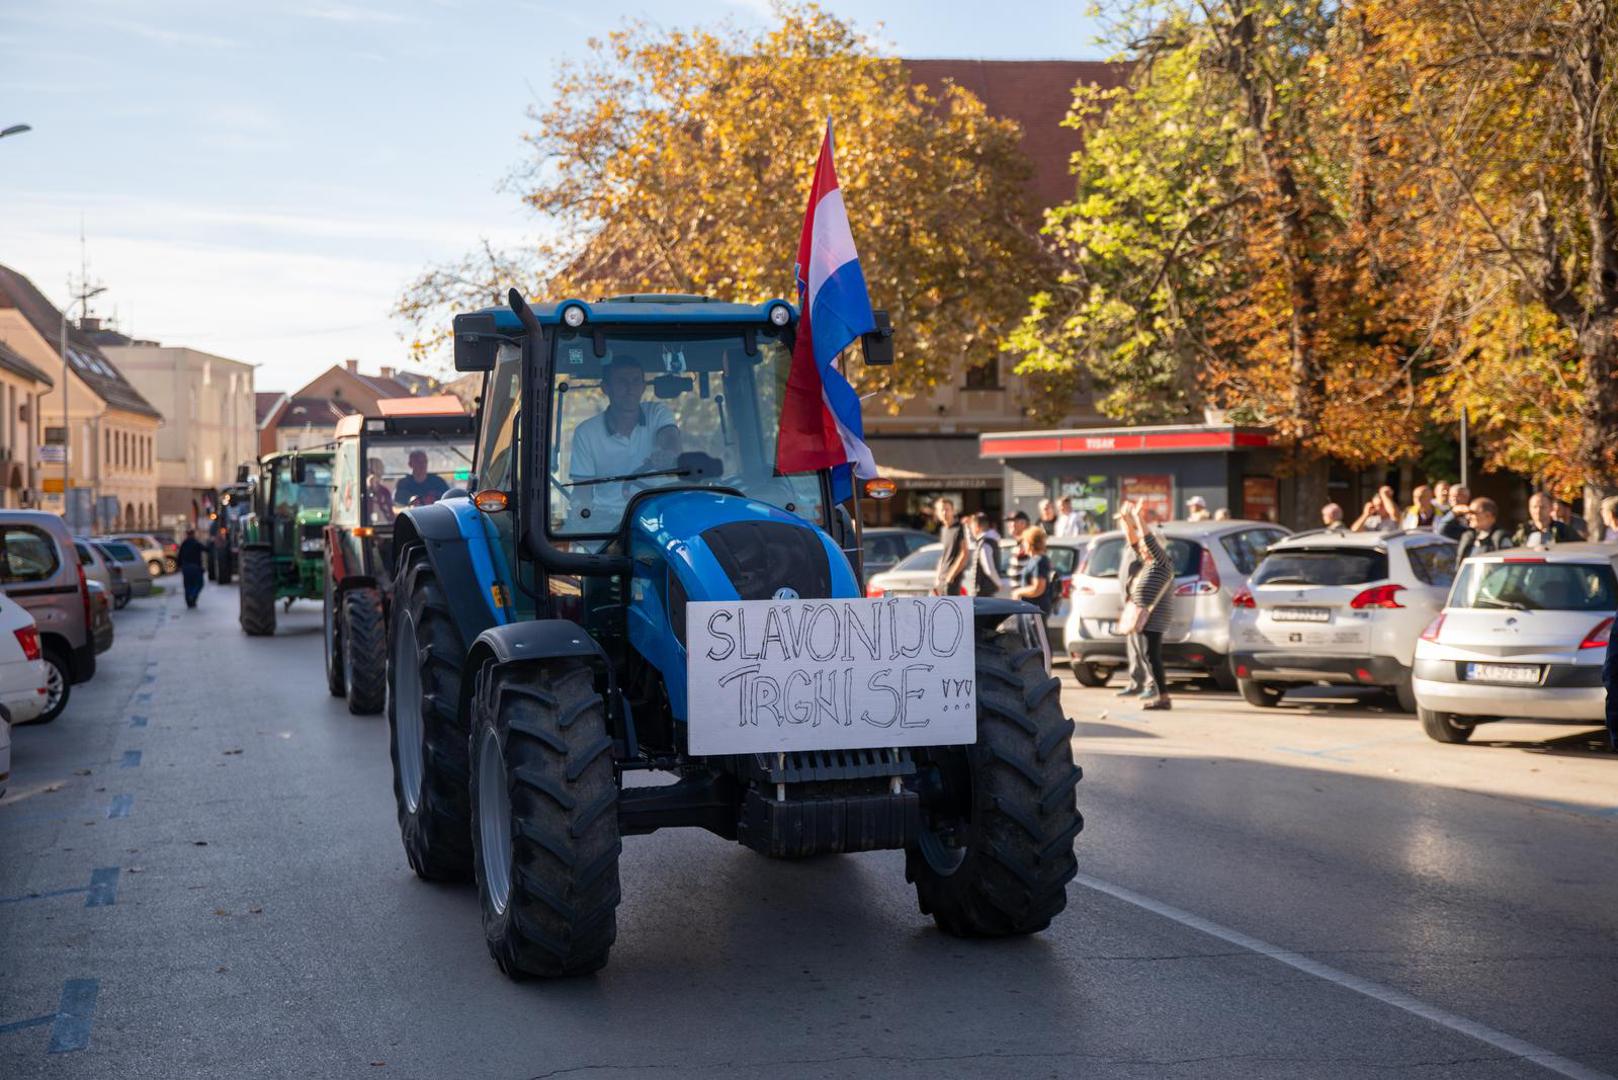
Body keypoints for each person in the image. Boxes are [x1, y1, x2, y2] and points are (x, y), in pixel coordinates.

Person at [568, 356, 681, 523]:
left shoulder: (657, 413)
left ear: (643, 387)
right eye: (622, 382)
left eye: (636, 381)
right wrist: (581, 518)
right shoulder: (586, 433)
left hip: (660, 515)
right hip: (608, 522)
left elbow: (670, 437)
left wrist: (670, 454)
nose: (630, 389)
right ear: (605, 388)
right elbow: (583, 492)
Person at [1118, 501, 1174, 710]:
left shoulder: (1161, 562)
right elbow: (1134, 540)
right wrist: (1126, 521)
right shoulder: (1148, 563)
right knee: (1147, 655)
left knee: (1152, 655)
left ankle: (1163, 696)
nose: (1141, 549)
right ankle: (1161, 694)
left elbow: (1146, 538)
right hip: (1144, 617)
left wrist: (1137, 515)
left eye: (1145, 547)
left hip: (1154, 617)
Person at [1011, 525, 1054, 617]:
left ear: (1030, 542)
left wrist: (1018, 592)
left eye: (1024, 542)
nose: (1023, 545)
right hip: (1030, 608)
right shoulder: (1034, 559)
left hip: (1035, 610)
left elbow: (1038, 588)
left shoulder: (1039, 560)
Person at [931, 497, 967, 597]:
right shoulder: (943, 529)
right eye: (941, 510)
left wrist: (951, 576)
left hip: (952, 580)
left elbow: (964, 553)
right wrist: (938, 577)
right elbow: (944, 555)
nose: (944, 513)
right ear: (937, 513)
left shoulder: (959, 528)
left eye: (947, 509)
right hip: (942, 578)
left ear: (953, 511)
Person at [1456, 497, 1511, 563]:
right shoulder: (1468, 536)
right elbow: (1442, 531)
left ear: (1488, 515)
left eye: (1473, 513)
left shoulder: (1501, 538)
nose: (1468, 516)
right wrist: (1453, 513)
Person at [963, 512, 1003, 598]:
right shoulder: (986, 541)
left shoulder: (985, 544)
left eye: (972, 527)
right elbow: (971, 543)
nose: (972, 529)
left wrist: (999, 583)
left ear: (977, 527)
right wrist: (967, 527)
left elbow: (989, 568)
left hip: (984, 592)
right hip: (985, 591)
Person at [178, 527, 206, 609]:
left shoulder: (184, 544)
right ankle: (193, 596)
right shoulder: (196, 543)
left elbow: (179, 556)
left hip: (186, 568)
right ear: (193, 534)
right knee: (199, 584)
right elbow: (206, 549)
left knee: (187, 586)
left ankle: (189, 602)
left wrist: (179, 566)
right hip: (196, 568)